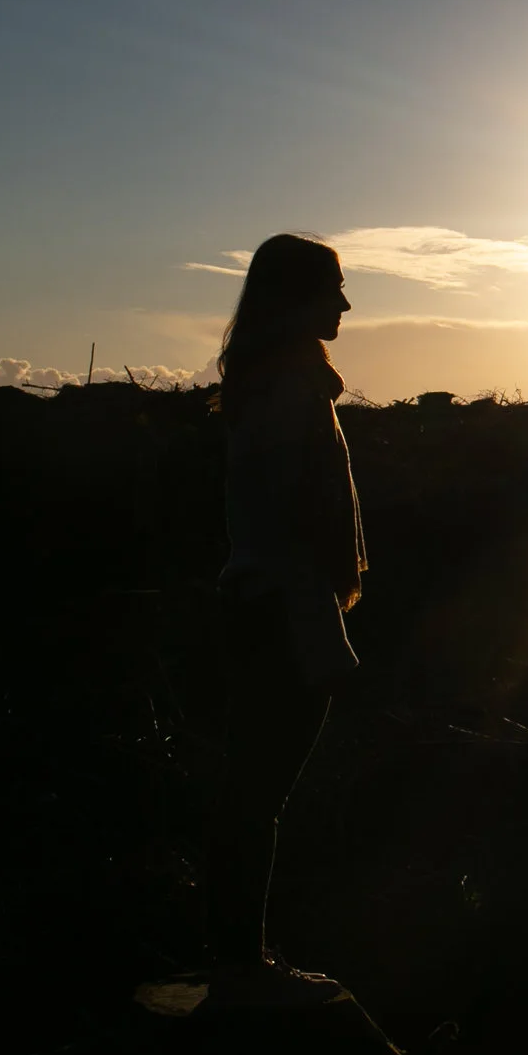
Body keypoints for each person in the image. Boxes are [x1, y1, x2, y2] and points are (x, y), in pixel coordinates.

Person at [203, 232, 366, 1005]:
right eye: (332, 287)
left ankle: (240, 956)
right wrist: (321, 628)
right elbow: (287, 518)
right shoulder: (289, 391)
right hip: (283, 609)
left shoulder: (274, 383)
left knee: (252, 791)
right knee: (257, 795)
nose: (344, 303)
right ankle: (243, 964)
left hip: (271, 604)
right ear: (294, 298)